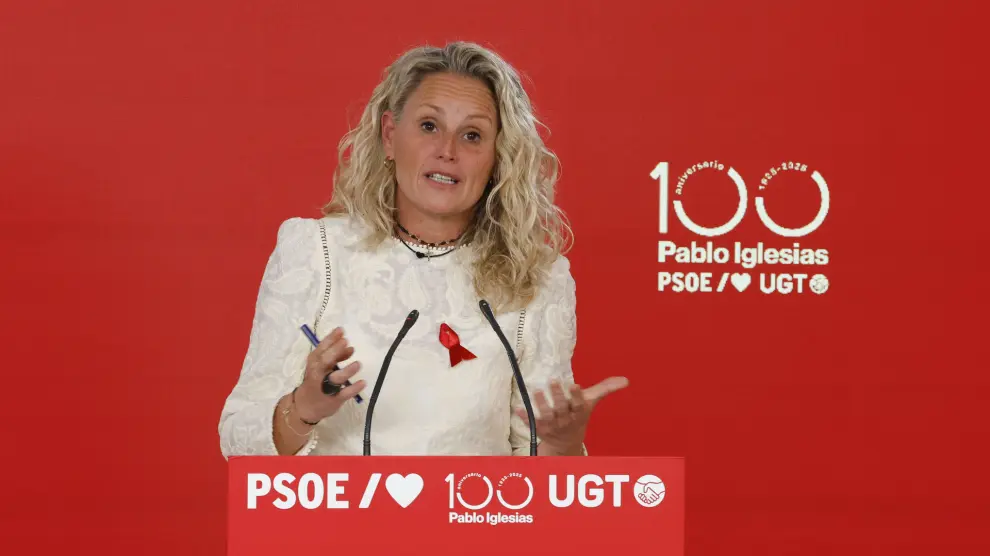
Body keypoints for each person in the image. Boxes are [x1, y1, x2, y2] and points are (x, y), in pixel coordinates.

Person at [218, 41, 628, 458]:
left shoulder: (538, 278)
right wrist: (303, 408)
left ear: (497, 158)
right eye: (429, 126)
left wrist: (562, 442)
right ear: (390, 136)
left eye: (472, 135)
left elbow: (537, 464)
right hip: (341, 504)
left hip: (475, 503)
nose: (447, 151)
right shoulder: (315, 251)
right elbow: (238, 442)